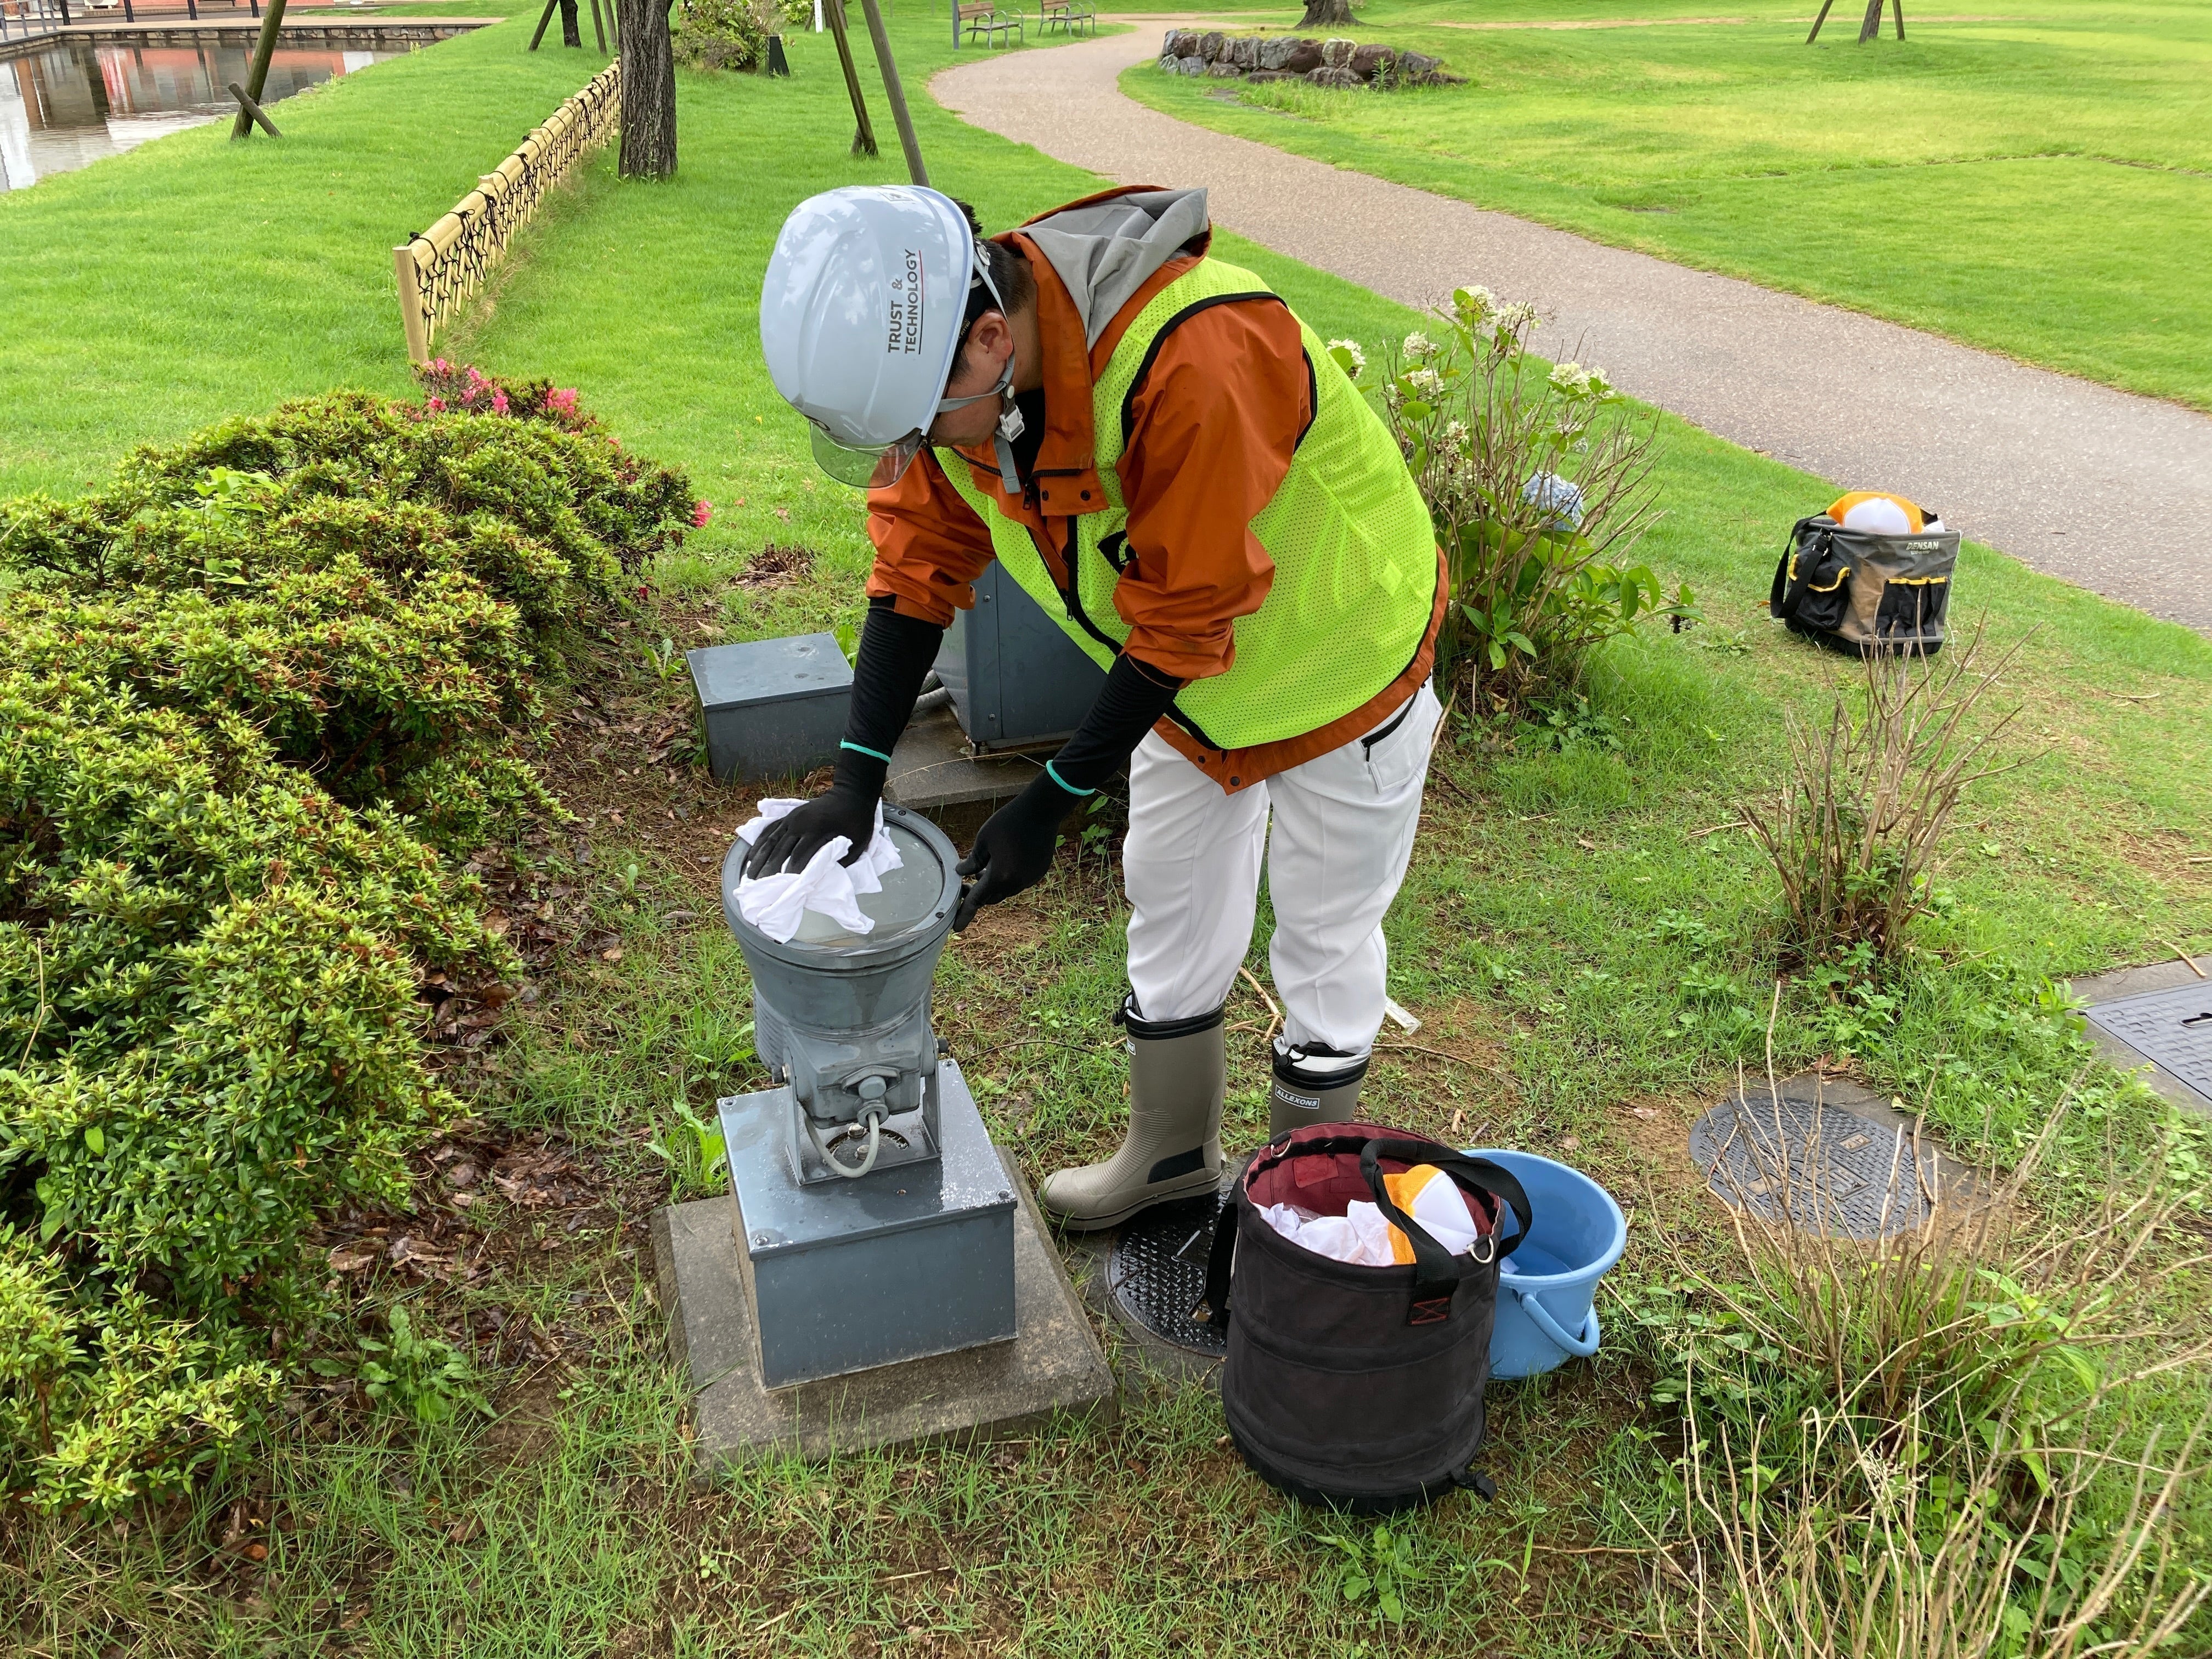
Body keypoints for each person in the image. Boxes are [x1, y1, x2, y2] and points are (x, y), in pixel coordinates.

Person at [752, 183, 1444, 1231]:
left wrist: (1055, 794)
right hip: (1190, 695)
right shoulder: (964, 390)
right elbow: (917, 565)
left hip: (1339, 668)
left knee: (1325, 935)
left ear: (991, 340)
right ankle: (1169, 1157)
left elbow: (1187, 613)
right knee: (1168, 899)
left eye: (917, 429)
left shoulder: (1198, 358)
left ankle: (1307, 1205)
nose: (920, 454)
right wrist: (858, 778)